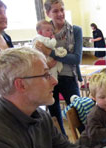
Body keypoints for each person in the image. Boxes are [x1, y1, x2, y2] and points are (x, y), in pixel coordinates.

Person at [36, 0, 83, 135]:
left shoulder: (76, 31)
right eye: (55, 11)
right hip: (49, 78)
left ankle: (88, 143)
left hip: (69, 77)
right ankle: (63, 143)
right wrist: (46, 62)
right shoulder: (41, 33)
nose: (60, 14)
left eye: (62, 10)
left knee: (79, 111)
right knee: (54, 113)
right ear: (48, 13)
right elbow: (37, 56)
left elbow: (76, 59)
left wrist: (50, 53)